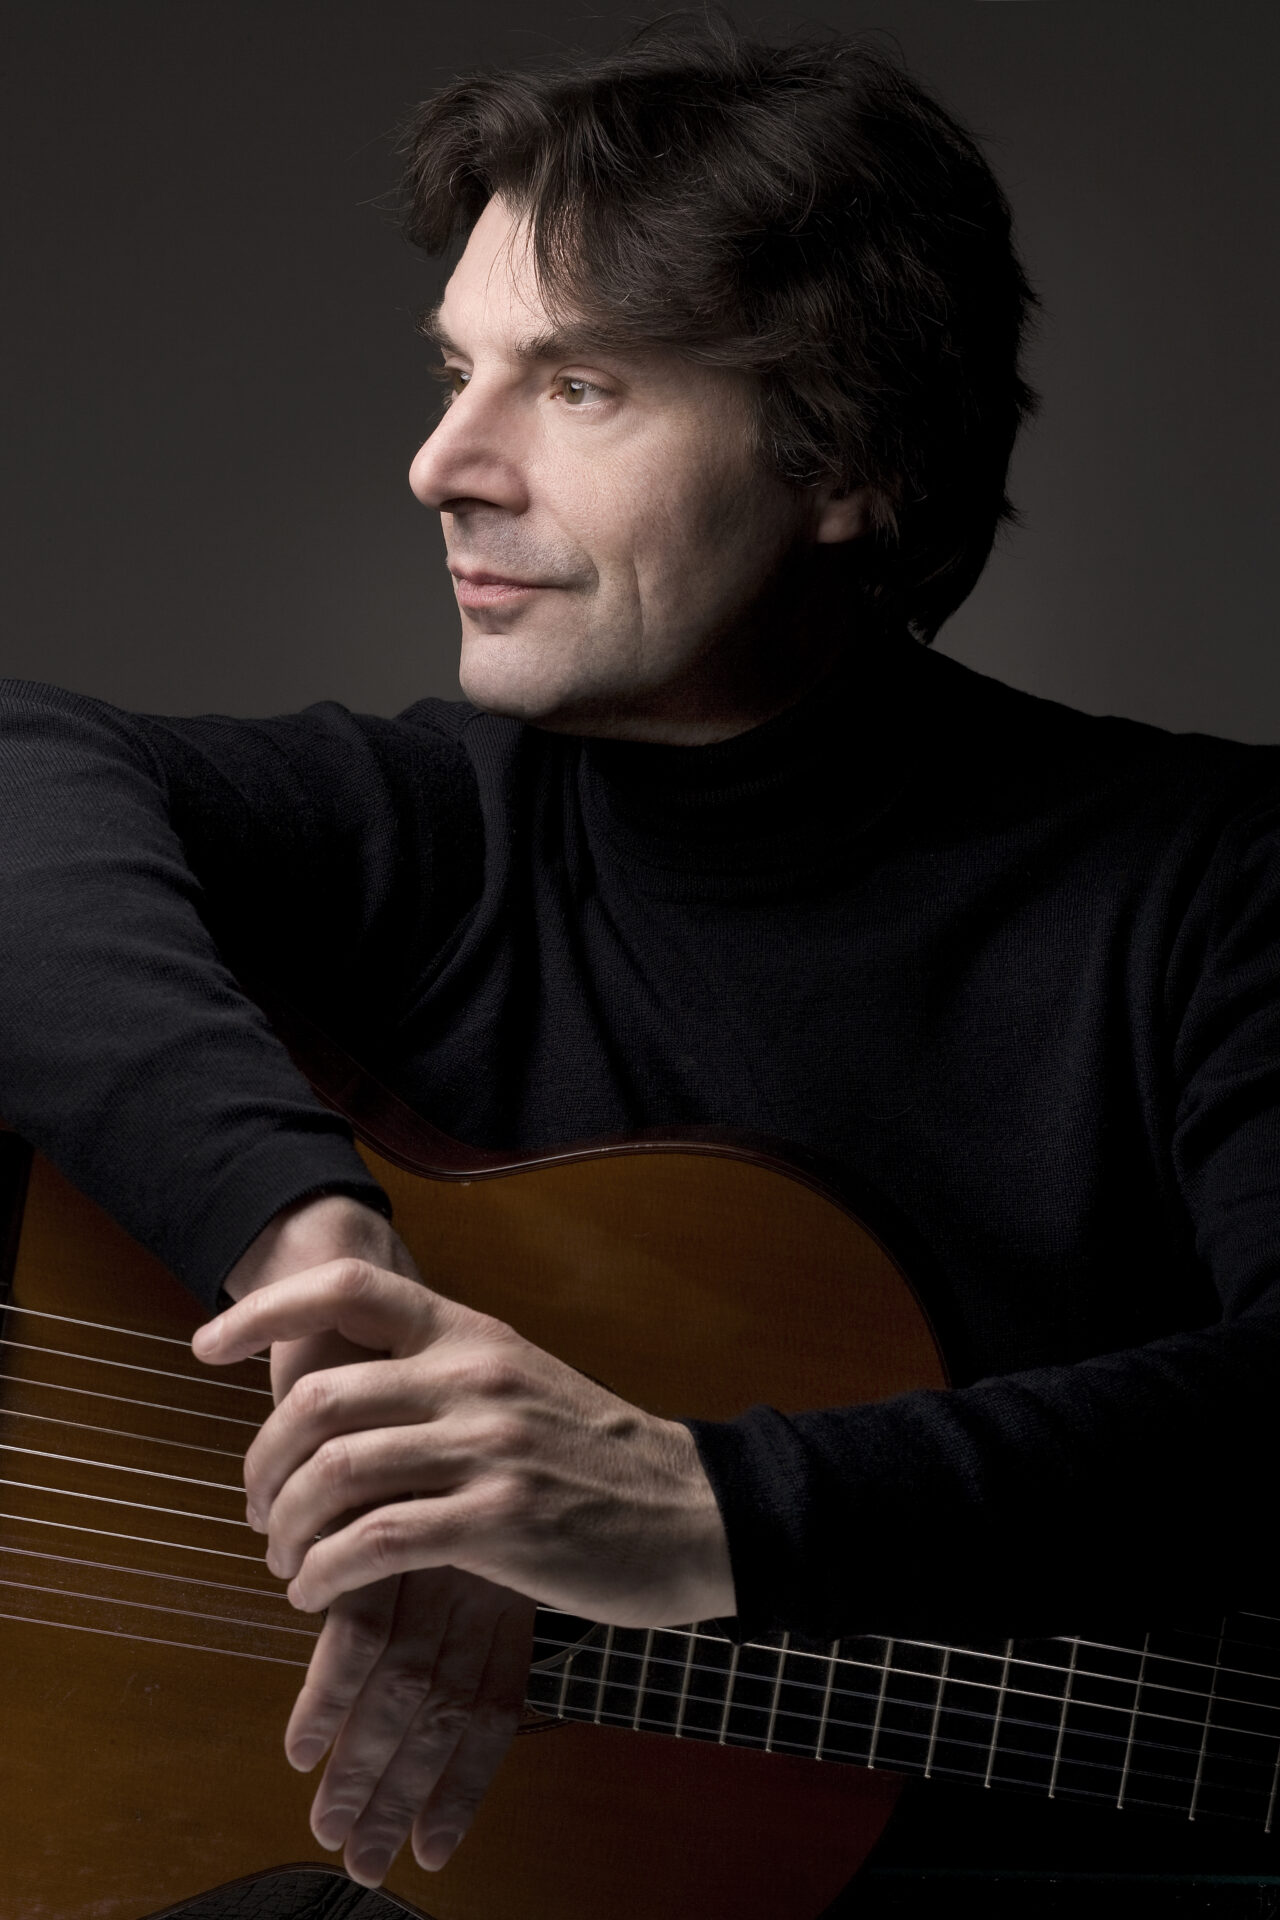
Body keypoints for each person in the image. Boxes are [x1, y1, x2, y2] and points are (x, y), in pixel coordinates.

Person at [2, 13, 1279, 1911]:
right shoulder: (438, 833)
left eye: (578, 385)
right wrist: (314, 1256)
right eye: (458, 371)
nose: (443, 462)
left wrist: (694, 1513)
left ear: (845, 456)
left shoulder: (1219, 881)